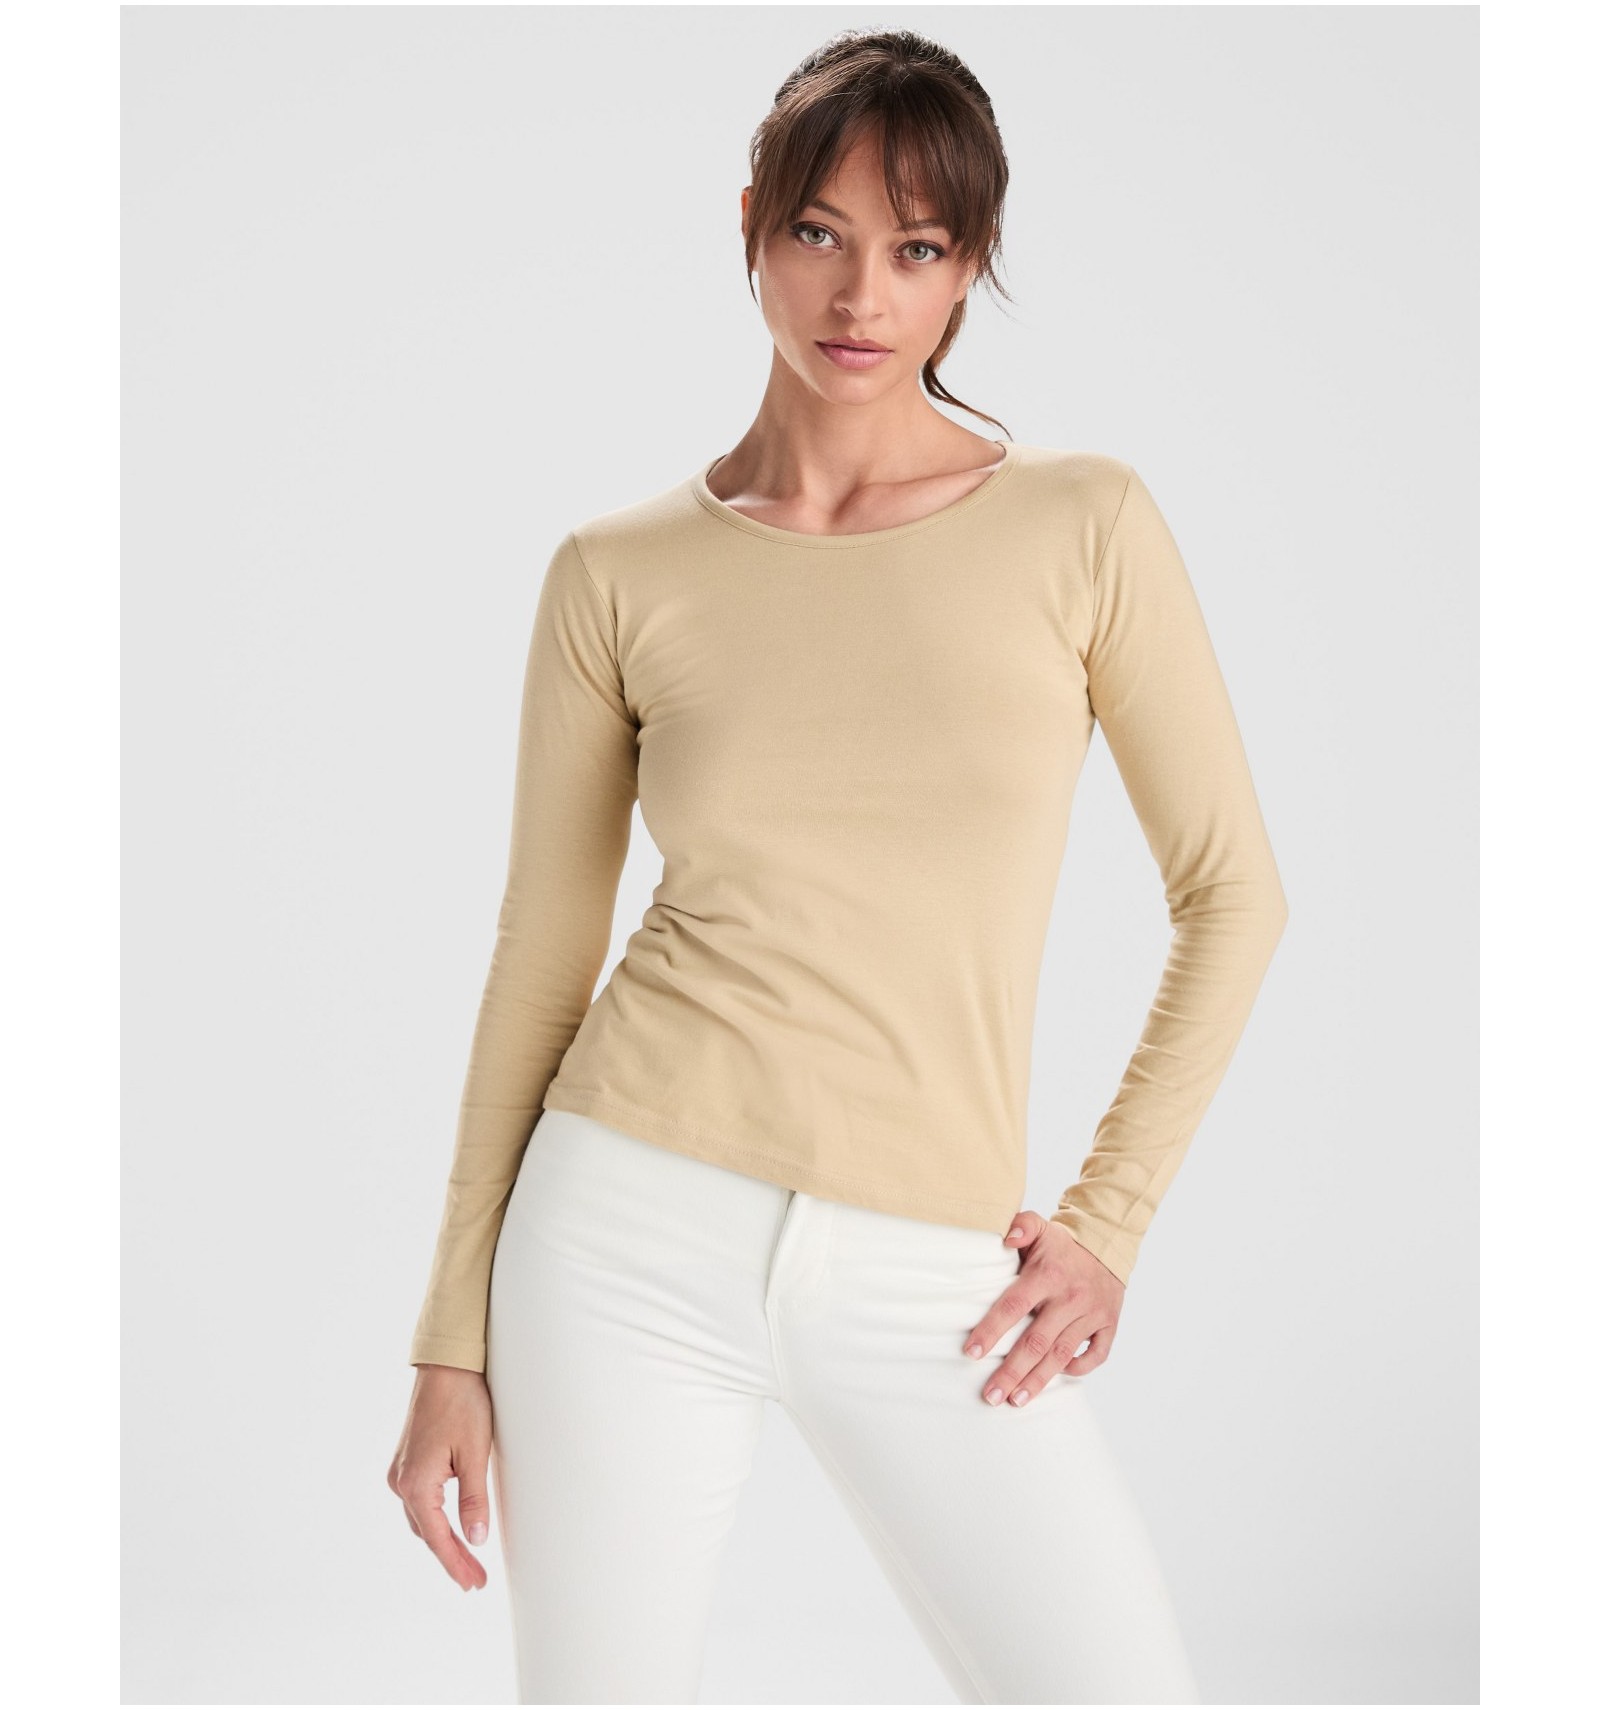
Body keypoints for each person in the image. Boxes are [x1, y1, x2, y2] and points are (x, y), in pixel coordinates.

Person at [388, 26, 1288, 1707]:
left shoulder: (1084, 524)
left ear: (969, 268)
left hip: (937, 1268)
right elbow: (541, 955)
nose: (861, 294)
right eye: (820, 231)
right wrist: (452, 1335)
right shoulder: (617, 572)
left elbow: (1235, 893)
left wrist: (1107, 1221)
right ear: (751, 224)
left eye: (919, 248)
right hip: (622, 1226)